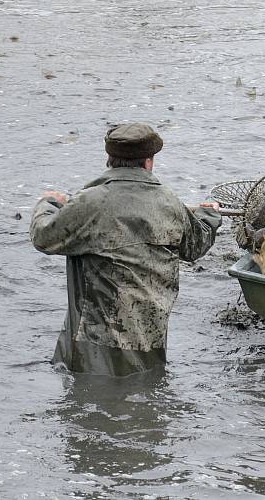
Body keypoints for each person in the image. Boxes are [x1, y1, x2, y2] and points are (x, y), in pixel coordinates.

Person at [30, 123, 223, 376]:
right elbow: (195, 246)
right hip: (150, 343)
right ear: (148, 162)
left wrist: (49, 202)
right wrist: (209, 216)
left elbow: (43, 237)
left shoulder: (90, 202)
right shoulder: (170, 203)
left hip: (92, 347)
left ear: (109, 159)